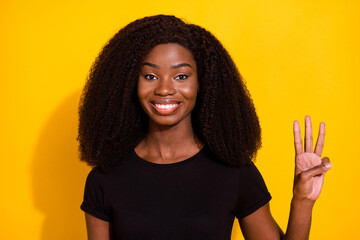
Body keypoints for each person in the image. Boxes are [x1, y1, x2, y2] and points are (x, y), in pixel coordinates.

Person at [78, 15, 332, 240]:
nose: (164, 89)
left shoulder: (235, 173)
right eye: (150, 76)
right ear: (130, 84)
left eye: (181, 76)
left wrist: (302, 201)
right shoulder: (105, 179)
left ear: (202, 83)